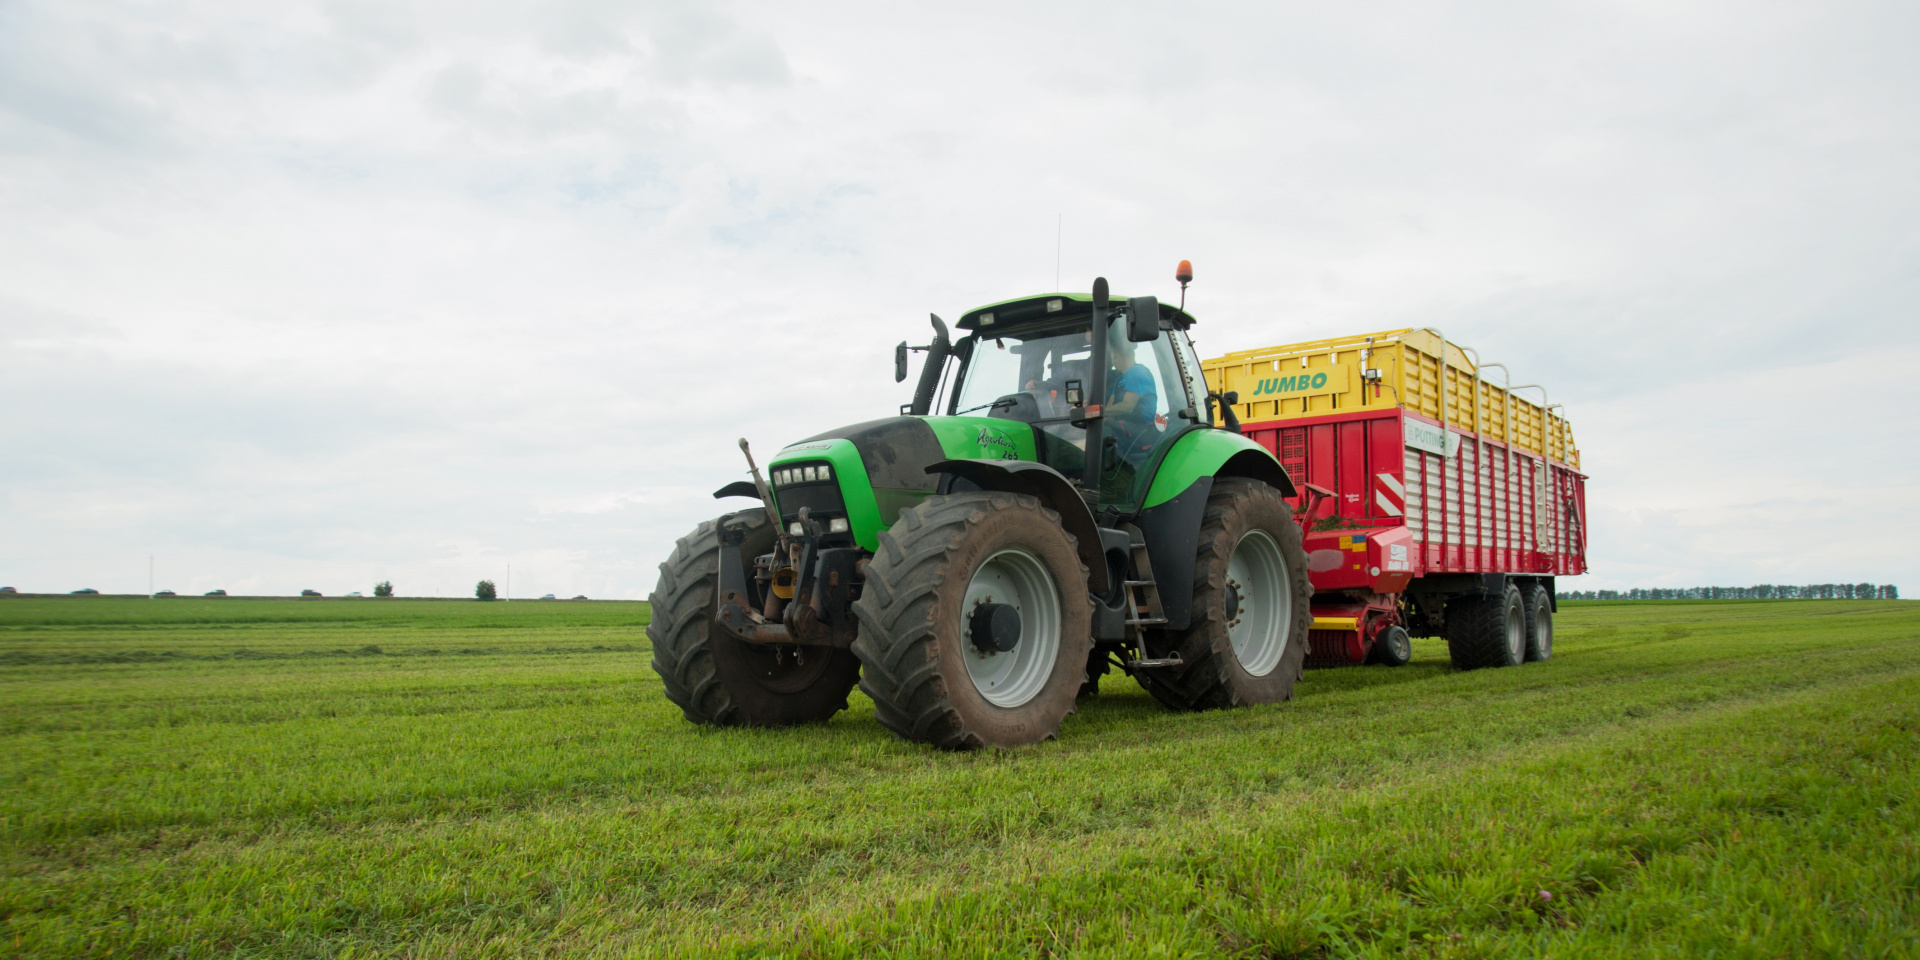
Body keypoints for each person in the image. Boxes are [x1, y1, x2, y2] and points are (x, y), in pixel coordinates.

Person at [1103, 323, 1158, 465]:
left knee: (1105, 429)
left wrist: (1100, 412)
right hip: (1124, 427)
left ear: (1116, 355)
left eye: (1113, 355)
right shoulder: (1119, 380)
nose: (1112, 360)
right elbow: (1109, 409)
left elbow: (1128, 406)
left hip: (1140, 429)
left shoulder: (1137, 372)